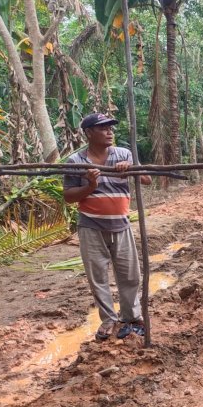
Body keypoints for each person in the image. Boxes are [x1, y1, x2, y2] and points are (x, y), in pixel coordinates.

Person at [63, 113, 152, 341]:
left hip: (121, 225)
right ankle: (109, 319)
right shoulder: (76, 162)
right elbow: (69, 197)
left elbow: (147, 180)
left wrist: (130, 168)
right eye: (103, 128)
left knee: (130, 274)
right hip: (91, 226)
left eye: (111, 127)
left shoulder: (123, 154)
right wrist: (91, 185)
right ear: (89, 132)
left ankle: (131, 317)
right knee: (98, 276)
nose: (110, 131)